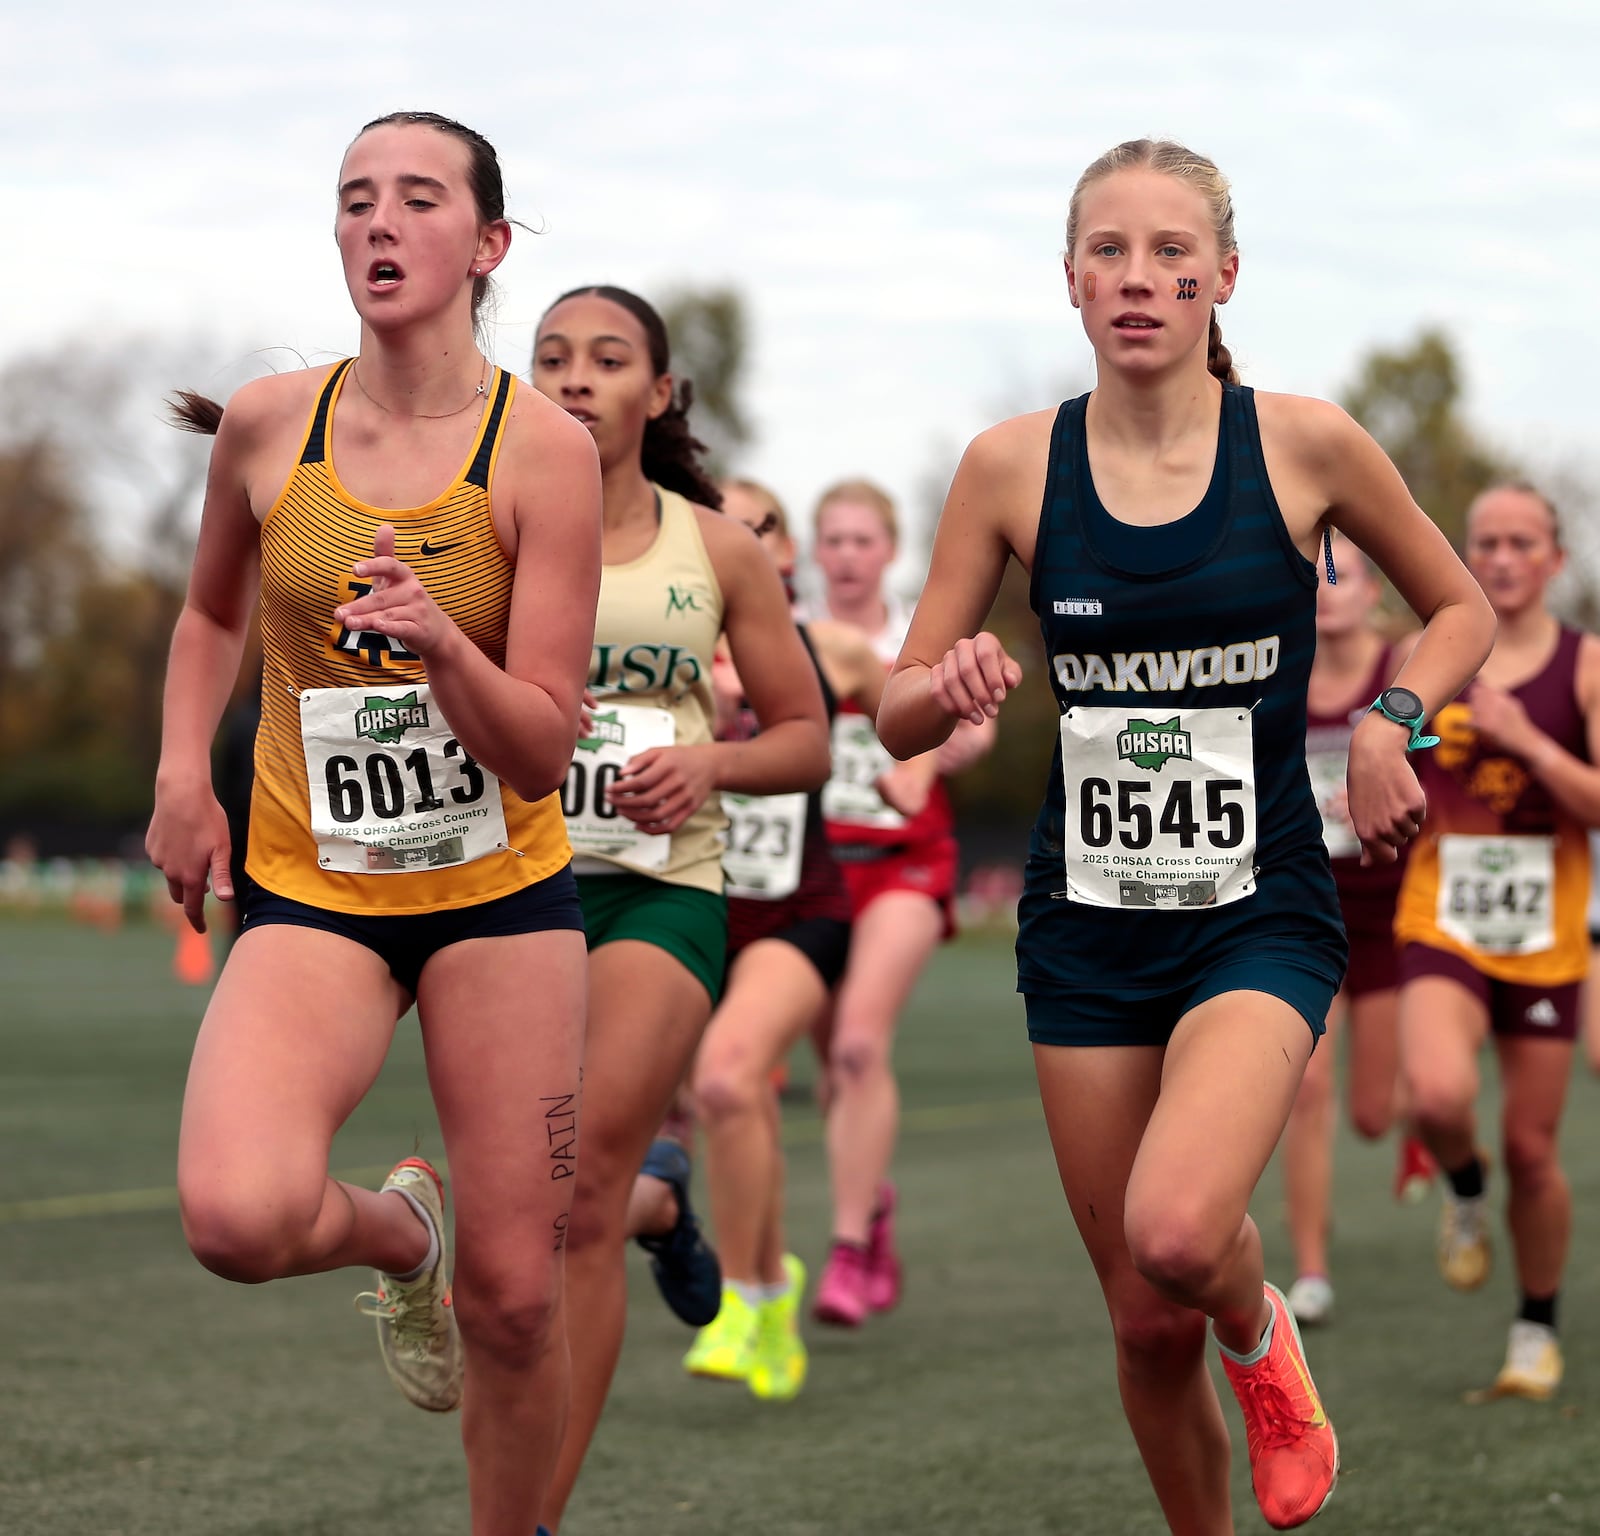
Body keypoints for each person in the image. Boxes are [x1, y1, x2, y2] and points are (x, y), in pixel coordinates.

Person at [874, 137, 1494, 1533]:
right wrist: (948, 686)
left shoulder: (1305, 443)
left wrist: (1395, 717)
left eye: (1169, 253)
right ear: (1071, 282)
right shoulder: (1009, 467)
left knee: (1177, 1235)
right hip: (1086, 928)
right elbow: (898, 712)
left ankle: (1261, 1325)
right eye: (1109, 251)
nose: (1138, 278)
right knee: (1144, 1323)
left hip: (1255, 911)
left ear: (1223, 275)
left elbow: (1463, 612)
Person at [146, 112, 601, 1536]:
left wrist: (440, 649)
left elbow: (537, 749)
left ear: (488, 245)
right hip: (315, 888)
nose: (381, 225)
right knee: (235, 1218)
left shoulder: (543, 455)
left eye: (418, 200)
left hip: (498, 899)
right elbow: (216, 608)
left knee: (519, 1302)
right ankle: (402, 1231)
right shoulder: (276, 425)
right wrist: (180, 776)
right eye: (356, 201)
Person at [527, 285, 830, 1529]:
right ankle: (666, 1202)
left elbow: (807, 737)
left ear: (656, 394)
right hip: (506, 895)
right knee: (522, 1202)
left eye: (607, 359)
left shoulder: (714, 546)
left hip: (661, 889)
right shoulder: (479, 528)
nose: (576, 377)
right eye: (550, 358)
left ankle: (534, 1514)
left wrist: (708, 762)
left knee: (575, 1202)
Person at [685, 476, 922, 1399]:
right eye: (719, 523)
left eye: (759, 527)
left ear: (784, 556)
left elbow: (909, 702)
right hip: (694, 909)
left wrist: (922, 765)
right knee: (724, 1107)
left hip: (800, 913)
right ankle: (774, 1291)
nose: (738, 538)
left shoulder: (824, 650)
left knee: (728, 1075)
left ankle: (744, 1297)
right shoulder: (664, 654)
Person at [1395, 481, 1600, 1401]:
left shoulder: (1585, 666)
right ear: (1465, 555)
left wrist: (1530, 743)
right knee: (1436, 1094)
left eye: (1524, 542)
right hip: (1442, 915)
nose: (1505, 558)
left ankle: (1535, 1329)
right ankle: (1463, 1188)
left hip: (1548, 937)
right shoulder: (1425, 655)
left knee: (1533, 1148)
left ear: (1555, 559)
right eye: (1487, 542)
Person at [805, 478, 994, 1326]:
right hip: (814, 869)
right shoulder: (792, 635)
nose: (846, 555)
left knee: (855, 1048)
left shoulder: (916, 637)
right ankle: (870, 1209)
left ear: (889, 550)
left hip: (907, 864)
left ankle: (844, 1254)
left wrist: (944, 744)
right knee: (832, 1078)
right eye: (833, 540)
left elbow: (975, 720)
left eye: (861, 540)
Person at [1281, 532, 1434, 1326]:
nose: (1327, 586)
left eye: (1342, 573)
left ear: (1375, 590)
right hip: (1306, 909)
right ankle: (1311, 1269)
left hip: (1394, 915)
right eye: (1312, 575)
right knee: (1304, 1086)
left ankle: (1423, 1124)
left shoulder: (1404, 665)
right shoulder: (1279, 672)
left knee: (1374, 1113)